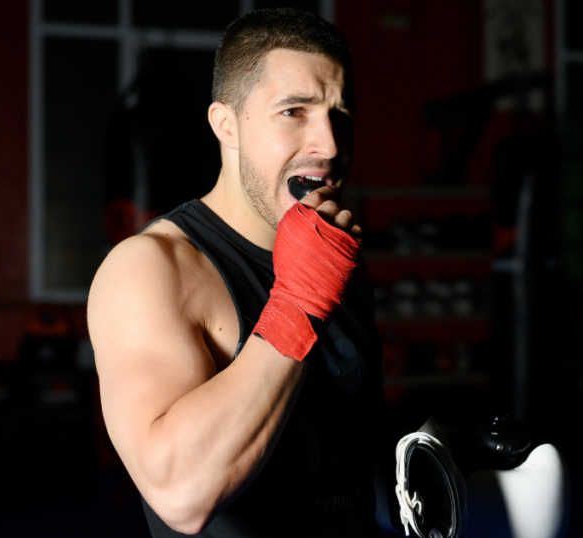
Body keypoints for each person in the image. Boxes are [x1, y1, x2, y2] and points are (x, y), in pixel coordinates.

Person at [88, 8, 385, 537]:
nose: (331, 146)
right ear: (226, 125)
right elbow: (181, 494)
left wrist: (444, 446)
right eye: (295, 111)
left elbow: (342, 447)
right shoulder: (151, 270)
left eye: (342, 114)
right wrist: (298, 302)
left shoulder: (343, 264)